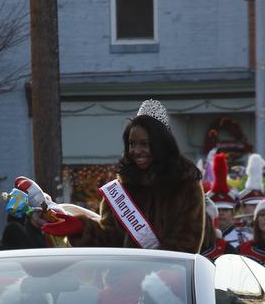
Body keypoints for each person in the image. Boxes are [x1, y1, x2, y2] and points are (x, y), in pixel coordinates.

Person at [42, 99, 205, 253]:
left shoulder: (185, 185)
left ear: (161, 144)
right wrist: (82, 228)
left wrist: (152, 275)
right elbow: (110, 240)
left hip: (166, 280)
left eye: (144, 144)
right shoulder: (120, 190)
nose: (136, 151)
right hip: (121, 278)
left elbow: (187, 243)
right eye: (131, 144)